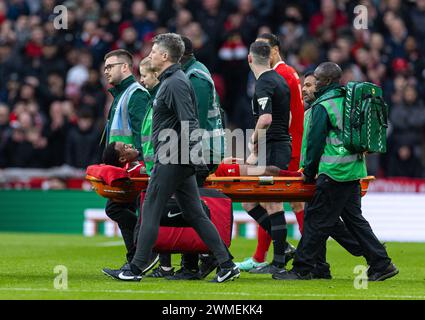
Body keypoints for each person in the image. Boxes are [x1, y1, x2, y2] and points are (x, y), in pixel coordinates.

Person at [103, 33, 240, 283]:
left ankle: (134, 268)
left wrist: (192, 157)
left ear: (165, 56)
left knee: (151, 209)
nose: (150, 54)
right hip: (177, 157)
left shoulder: (174, 82)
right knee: (195, 214)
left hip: (173, 157)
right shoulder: (174, 80)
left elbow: (189, 121)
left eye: (154, 51)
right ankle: (227, 263)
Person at [273, 62, 399, 281]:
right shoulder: (349, 102)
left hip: (333, 172)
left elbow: (315, 144)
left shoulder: (324, 106)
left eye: (318, 80)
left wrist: (309, 172)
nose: (315, 84)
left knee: (315, 220)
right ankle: (381, 263)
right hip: (353, 169)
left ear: (327, 81)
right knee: (354, 221)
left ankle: (302, 268)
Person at [149, 36, 226, 281]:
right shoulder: (190, 74)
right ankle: (202, 262)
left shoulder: (193, 78)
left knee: (188, 208)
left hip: (196, 150)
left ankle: (202, 259)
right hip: (186, 150)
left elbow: (194, 121)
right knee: (189, 208)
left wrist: (192, 157)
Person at [236, 33, 306, 272]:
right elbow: (287, 114)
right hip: (286, 142)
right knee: (264, 200)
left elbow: (270, 118)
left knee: (280, 202)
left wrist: (255, 143)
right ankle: (276, 253)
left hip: (282, 145)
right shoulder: (285, 75)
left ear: (274, 50)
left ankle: (303, 256)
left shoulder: (276, 76)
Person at [101, 49, 157, 275]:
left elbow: (143, 134)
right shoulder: (121, 95)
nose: (106, 71)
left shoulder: (135, 94)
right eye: (105, 67)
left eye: (110, 66)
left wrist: (141, 165)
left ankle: (142, 256)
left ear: (125, 67)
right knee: (119, 209)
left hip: (133, 168)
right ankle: (137, 258)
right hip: (123, 167)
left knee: (116, 208)